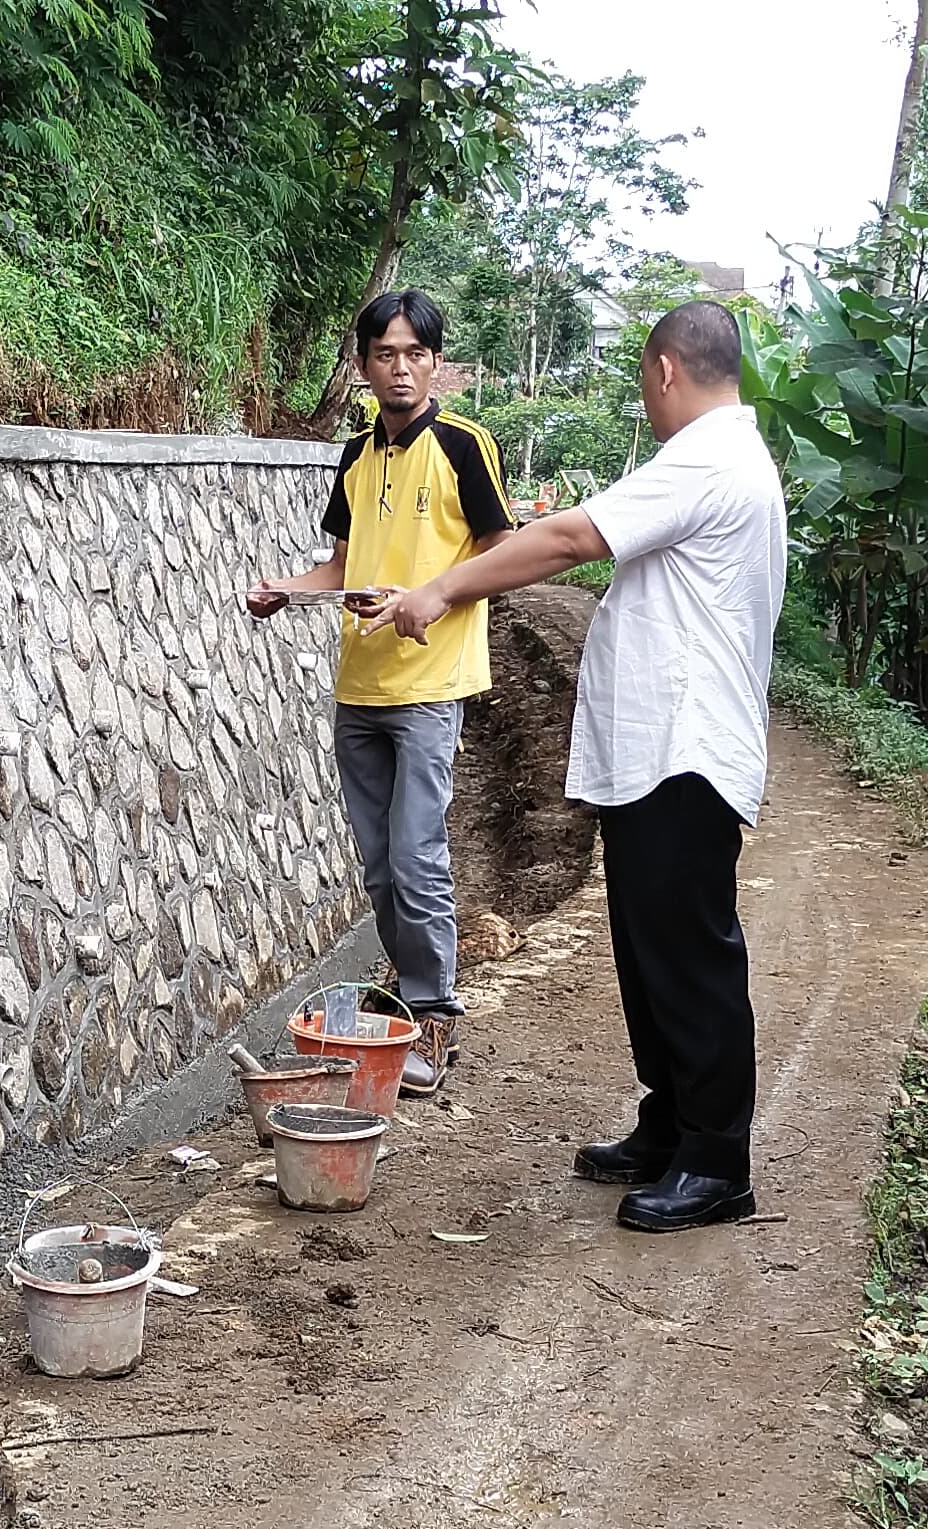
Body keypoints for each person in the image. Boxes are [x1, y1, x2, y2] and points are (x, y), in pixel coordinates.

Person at [360, 300, 785, 1232]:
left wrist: (438, 589)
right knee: (647, 951)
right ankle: (670, 1125)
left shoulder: (708, 457)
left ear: (665, 370)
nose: (646, 393)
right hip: (656, 755)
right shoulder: (722, 456)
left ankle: (717, 1161)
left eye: (643, 379)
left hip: (686, 753)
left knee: (689, 957)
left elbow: (567, 538)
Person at [252, 289, 517, 1098]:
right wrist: (286, 590)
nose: (399, 369)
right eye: (384, 354)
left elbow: (504, 549)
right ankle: (408, 987)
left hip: (432, 685)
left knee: (416, 855)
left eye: (414, 354)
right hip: (359, 685)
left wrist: (427, 597)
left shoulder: (465, 446)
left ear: (437, 363)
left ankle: (435, 1016)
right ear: (363, 364)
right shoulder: (358, 454)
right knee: (377, 865)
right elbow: (342, 565)